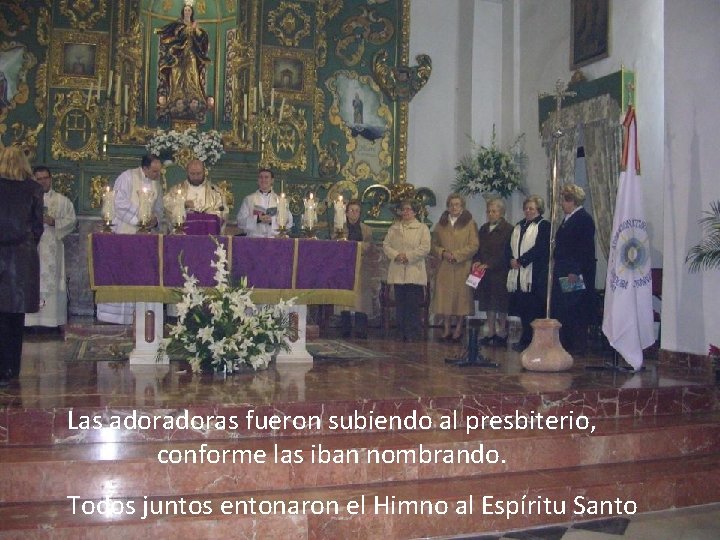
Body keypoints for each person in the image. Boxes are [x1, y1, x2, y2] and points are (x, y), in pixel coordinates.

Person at [96, 155, 164, 325]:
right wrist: (140, 218)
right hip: (124, 235)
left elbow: (159, 208)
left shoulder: (157, 182)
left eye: (159, 170)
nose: (158, 174)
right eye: (155, 171)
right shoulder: (127, 177)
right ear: (145, 168)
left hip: (145, 238)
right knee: (122, 272)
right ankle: (116, 316)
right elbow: (118, 202)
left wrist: (154, 220)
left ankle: (141, 315)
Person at [0, 147, 44, 385]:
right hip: (20, 258)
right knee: (15, 318)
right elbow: (38, 227)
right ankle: (10, 369)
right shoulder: (33, 189)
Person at [24, 166, 77, 330]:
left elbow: (71, 221)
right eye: (38, 179)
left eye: (45, 178)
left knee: (51, 280)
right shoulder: (26, 199)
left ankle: (51, 320)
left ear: (50, 178)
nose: (42, 182)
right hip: (31, 245)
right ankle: (29, 321)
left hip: (52, 244)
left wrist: (54, 222)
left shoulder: (62, 201)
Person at [553, 183, 597, 354]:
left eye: (564, 200)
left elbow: (583, 249)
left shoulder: (584, 220)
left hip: (574, 272)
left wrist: (574, 271)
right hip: (564, 269)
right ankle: (565, 342)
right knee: (564, 307)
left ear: (572, 201)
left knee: (575, 307)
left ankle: (577, 345)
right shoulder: (568, 219)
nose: (562, 204)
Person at [431, 194, 479, 342]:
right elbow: (433, 245)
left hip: (462, 266)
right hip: (445, 266)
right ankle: (446, 329)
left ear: (462, 206)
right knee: (444, 298)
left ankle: (458, 328)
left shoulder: (470, 223)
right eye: (451, 204)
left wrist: (457, 255)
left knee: (461, 299)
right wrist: (443, 253)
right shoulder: (441, 224)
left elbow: (474, 245)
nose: (454, 207)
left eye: (457, 204)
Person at [506, 195, 550, 352]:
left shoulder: (544, 226)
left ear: (539, 209)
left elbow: (541, 249)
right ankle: (524, 338)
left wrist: (522, 260)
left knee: (534, 309)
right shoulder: (518, 226)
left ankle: (534, 341)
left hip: (534, 274)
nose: (528, 211)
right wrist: (511, 259)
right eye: (526, 208)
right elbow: (509, 246)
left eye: (531, 208)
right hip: (518, 275)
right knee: (522, 308)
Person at [383, 199, 431, 341]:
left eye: (409, 209)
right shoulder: (394, 228)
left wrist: (408, 256)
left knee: (412, 305)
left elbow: (425, 248)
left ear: (415, 211)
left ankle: (413, 333)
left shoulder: (422, 228)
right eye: (404, 209)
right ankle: (400, 332)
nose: (406, 212)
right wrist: (397, 255)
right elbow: (386, 245)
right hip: (398, 270)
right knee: (400, 304)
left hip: (414, 271)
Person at [156, 2, 210, 119]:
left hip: (191, 55)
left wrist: (196, 30)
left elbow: (202, 39)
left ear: (192, 13)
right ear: (183, 12)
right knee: (176, 76)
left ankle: (193, 101)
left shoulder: (195, 25)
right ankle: (175, 100)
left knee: (192, 77)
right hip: (178, 56)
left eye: (189, 10)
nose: (187, 12)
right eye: (185, 10)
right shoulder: (178, 25)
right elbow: (170, 33)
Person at [472, 198, 514, 346]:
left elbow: (507, 252)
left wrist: (490, 264)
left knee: (501, 303)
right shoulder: (483, 228)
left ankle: (502, 332)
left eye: (494, 211)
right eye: (488, 211)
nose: (490, 214)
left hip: (500, 272)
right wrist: (476, 261)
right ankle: (490, 331)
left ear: (501, 213)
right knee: (488, 303)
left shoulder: (509, 229)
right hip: (484, 272)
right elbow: (477, 248)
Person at [332, 199, 373, 338]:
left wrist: (355, 246)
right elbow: (335, 243)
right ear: (346, 212)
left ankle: (361, 327)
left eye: (357, 211)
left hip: (361, 266)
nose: (354, 213)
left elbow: (368, 246)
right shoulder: (340, 227)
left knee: (361, 299)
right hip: (345, 266)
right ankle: (346, 326)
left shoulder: (366, 229)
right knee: (345, 296)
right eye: (351, 210)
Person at [236, 168, 292, 237]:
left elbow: (289, 222)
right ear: (258, 180)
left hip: (274, 239)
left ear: (272, 180)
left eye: (266, 177)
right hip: (254, 238)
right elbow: (240, 221)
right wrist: (257, 219)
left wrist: (272, 221)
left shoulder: (280, 201)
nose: (263, 180)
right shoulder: (249, 199)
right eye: (261, 177)